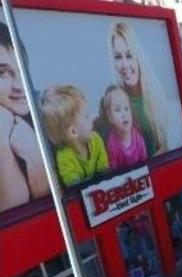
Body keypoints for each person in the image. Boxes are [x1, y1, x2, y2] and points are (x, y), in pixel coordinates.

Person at [0, 23, 49, 213]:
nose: (20, 85)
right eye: (2, 73)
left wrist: (34, 156)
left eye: (21, 68)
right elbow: (13, 207)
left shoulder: (46, 110)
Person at [108, 22, 167, 157]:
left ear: (138, 57)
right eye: (118, 57)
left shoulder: (155, 97)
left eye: (129, 55)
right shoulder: (115, 104)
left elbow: (165, 145)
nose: (124, 65)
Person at [40, 86, 109, 187]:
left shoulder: (96, 139)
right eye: (86, 116)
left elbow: (104, 168)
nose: (93, 118)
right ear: (73, 132)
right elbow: (74, 186)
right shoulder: (64, 157)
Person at [98, 85, 147, 170]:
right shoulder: (112, 144)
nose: (124, 114)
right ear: (110, 117)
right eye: (118, 110)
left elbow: (145, 160)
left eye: (126, 108)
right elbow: (114, 171)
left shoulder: (137, 137)